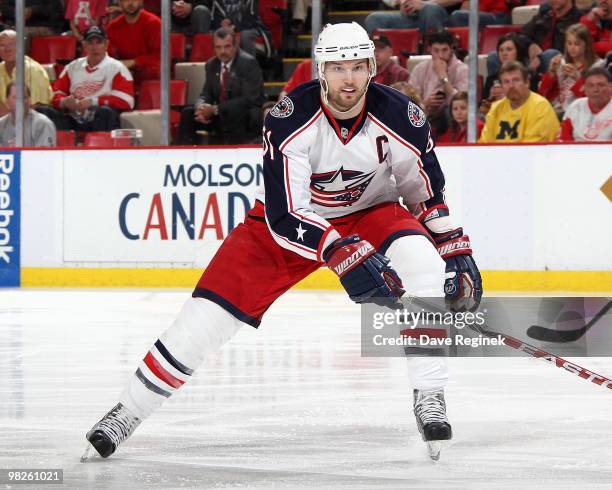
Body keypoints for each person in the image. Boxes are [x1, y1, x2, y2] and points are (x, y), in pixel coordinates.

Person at [83, 22, 482, 463]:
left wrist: (455, 250)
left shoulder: (402, 116)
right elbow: (286, 212)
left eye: (356, 66)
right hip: (286, 226)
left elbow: (424, 194)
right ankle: (127, 412)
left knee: (425, 265)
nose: (347, 79)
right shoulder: (290, 116)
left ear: (372, 67)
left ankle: (430, 394)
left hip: (372, 213)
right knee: (204, 319)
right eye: (336, 68)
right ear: (320, 70)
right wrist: (339, 251)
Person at [177, 27, 264, 144]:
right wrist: (201, 106)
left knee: (237, 113)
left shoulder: (248, 63)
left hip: (241, 113)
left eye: (227, 46)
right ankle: (183, 154)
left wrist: (215, 109)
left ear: (235, 45)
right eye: (218, 47)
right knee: (188, 113)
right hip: (219, 113)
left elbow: (250, 99)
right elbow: (206, 93)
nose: (222, 51)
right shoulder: (211, 64)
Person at [39, 26, 134, 133]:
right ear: (84, 45)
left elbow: (127, 100)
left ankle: (100, 147)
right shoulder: (72, 67)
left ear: (106, 45)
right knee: (43, 111)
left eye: (99, 42)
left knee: (104, 112)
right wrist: (64, 101)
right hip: (73, 117)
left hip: (99, 117)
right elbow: (55, 92)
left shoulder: (117, 68)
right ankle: (58, 148)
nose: (95, 47)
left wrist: (94, 101)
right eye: (90, 43)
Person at [479, 61, 560, 143]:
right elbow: (484, 145)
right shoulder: (495, 108)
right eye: (506, 82)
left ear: (527, 82)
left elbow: (531, 149)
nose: (511, 86)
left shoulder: (540, 107)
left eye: (516, 80)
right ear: (502, 86)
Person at [409, 29, 467, 137]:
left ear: (451, 50)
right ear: (429, 49)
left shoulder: (463, 69)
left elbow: (463, 103)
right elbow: (410, 101)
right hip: (425, 114)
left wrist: (443, 76)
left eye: (444, 50)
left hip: (451, 117)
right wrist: (426, 103)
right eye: (436, 50)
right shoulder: (419, 69)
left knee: (446, 112)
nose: (440, 55)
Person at [539, 23, 604, 116]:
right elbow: (544, 95)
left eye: (577, 44)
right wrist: (551, 73)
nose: (572, 48)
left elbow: (596, 100)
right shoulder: (561, 62)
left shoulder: (597, 66)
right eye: (569, 43)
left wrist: (578, 79)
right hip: (558, 110)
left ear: (586, 44)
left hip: (582, 113)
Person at [106, 0, 161, 84]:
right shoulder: (113, 27)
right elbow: (109, 57)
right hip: (123, 75)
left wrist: (133, 62)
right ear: (119, 3)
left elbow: (160, 57)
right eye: (126, 0)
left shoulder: (154, 23)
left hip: (151, 78)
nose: (130, 3)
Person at [0, 30, 52, 117]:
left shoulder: (34, 70)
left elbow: (35, 109)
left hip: (33, 124)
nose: (7, 49)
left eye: (12, 44)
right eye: (2, 45)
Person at [558, 66, 612, 140]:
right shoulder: (576, 106)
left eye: (601, 85)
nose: (595, 89)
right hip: (575, 150)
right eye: (590, 85)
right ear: (584, 88)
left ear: (610, 87)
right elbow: (563, 139)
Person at [209, 0, 273, 58]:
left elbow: (251, 19)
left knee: (245, 35)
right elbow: (213, 18)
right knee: (215, 33)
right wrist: (221, 23)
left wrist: (235, 27)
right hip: (225, 28)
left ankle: (249, 67)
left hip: (251, 27)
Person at [0, 82, 56, 147]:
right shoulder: (1, 124)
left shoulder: (43, 124)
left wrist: (21, 150)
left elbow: (45, 155)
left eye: (25, 97)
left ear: (30, 100)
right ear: (7, 101)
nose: (21, 101)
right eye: (16, 97)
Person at [364, 0, 462, 37]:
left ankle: (432, 50)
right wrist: (404, 3)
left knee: (429, 10)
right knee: (374, 18)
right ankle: (387, 57)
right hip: (409, 17)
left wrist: (425, 4)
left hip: (440, 15)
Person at [0, 0, 66, 38]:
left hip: (44, 26)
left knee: (20, 35)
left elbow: (54, 9)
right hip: (16, 26)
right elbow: (4, 8)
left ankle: (24, 61)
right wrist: (18, 11)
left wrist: (33, 10)